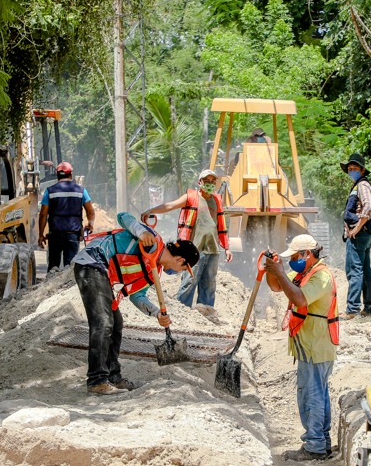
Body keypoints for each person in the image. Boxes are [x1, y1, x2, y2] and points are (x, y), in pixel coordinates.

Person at [72, 212, 199, 395]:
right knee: (103, 322)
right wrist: (141, 232)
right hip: (91, 264)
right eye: (182, 269)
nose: (178, 272)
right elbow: (123, 217)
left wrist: (157, 313)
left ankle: (113, 378)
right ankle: (97, 381)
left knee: (116, 323)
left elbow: (137, 296)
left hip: (101, 272)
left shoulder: (152, 269)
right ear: (180, 260)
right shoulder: (152, 240)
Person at [265, 234, 340, 461]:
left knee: (312, 395)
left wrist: (278, 270)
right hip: (309, 344)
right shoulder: (304, 273)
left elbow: (298, 299)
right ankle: (320, 441)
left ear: (308, 254)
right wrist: (272, 269)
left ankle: (315, 446)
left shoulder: (321, 277)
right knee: (315, 393)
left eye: (296, 256)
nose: (292, 261)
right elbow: (278, 286)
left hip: (317, 345)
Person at [141, 169, 232, 309]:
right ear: (200, 182)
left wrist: (227, 248)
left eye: (213, 182)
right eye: (206, 181)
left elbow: (221, 226)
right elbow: (170, 205)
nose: (210, 184)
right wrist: (151, 211)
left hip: (213, 249)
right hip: (194, 249)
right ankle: (183, 310)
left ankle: (206, 312)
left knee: (209, 283)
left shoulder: (217, 200)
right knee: (190, 281)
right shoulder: (191, 197)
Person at [38, 162, 96, 270]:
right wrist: (90, 224)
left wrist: (41, 235)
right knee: (70, 268)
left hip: (55, 234)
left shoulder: (49, 191)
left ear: (58, 175)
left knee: (53, 266)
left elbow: (43, 214)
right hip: (73, 234)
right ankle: (66, 286)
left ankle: (51, 285)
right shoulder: (81, 190)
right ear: (71, 175)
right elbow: (90, 211)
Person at [340, 153, 371, 319]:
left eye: (355, 168)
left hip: (359, 235)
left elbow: (369, 206)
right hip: (363, 234)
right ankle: (369, 308)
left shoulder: (362, 185)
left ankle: (352, 309)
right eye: (349, 168)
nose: (351, 170)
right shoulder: (358, 185)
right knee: (365, 271)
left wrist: (356, 228)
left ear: (362, 170)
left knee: (354, 270)